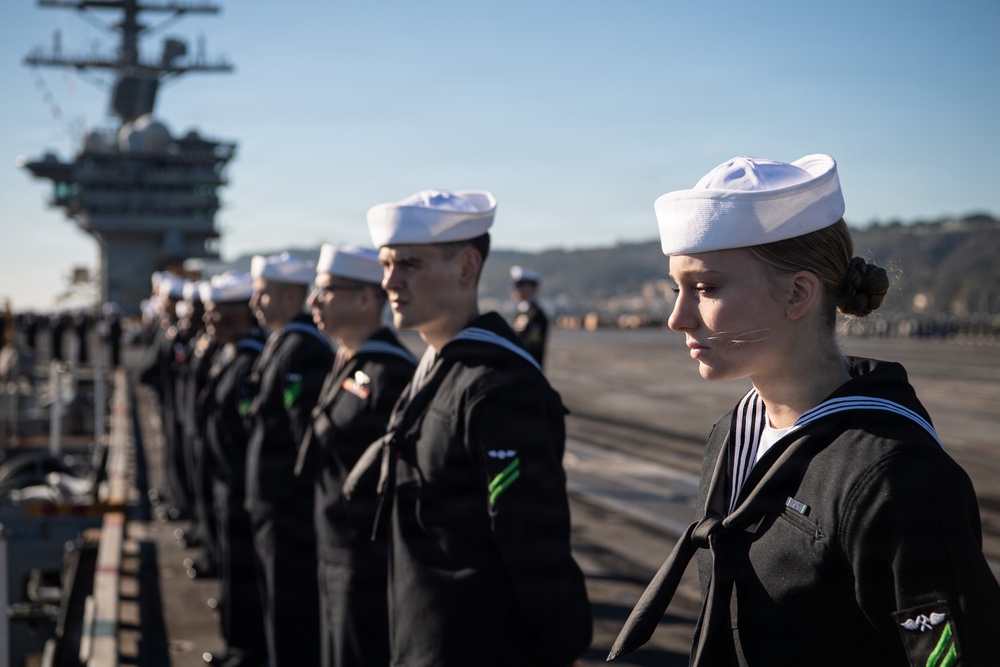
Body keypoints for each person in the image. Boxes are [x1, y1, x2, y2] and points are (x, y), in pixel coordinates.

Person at [609, 155, 1000, 666]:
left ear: (797, 293)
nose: (676, 318)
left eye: (705, 288)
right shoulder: (735, 434)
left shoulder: (894, 478)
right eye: (676, 288)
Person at [361, 188, 592, 666]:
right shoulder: (438, 367)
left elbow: (532, 545)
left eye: (409, 264)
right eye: (386, 265)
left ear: (467, 267)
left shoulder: (499, 387)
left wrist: (558, 643)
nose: (390, 281)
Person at [297, 244, 416, 667]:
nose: (313, 300)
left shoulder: (391, 374)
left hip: (364, 560)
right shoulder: (347, 361)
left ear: (367, 298)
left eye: (326, 290)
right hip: (332, 546)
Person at [245, 252, 333, 667]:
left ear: (292, 296)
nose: (254, 304)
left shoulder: (301, 350)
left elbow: (303, 438)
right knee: (275, 606)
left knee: (292, 613)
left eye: (263, 295)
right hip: (271, 504)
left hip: (287, 508)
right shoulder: (283, 343)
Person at [199, 271, 269, 667]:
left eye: (216, 312)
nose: (209, 320)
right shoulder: (230, 353)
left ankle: (248, 649)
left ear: (239, 315)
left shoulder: (248, 360)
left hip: (242, 485)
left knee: (245, 573)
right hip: (226, 482)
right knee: (232, 567)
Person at [509, 265, 549, 367]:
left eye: (519, 285)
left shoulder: (536, 315)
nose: (515, 289)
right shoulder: (521, 312)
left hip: (528, 371)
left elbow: (533, 346)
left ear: (530, 288)